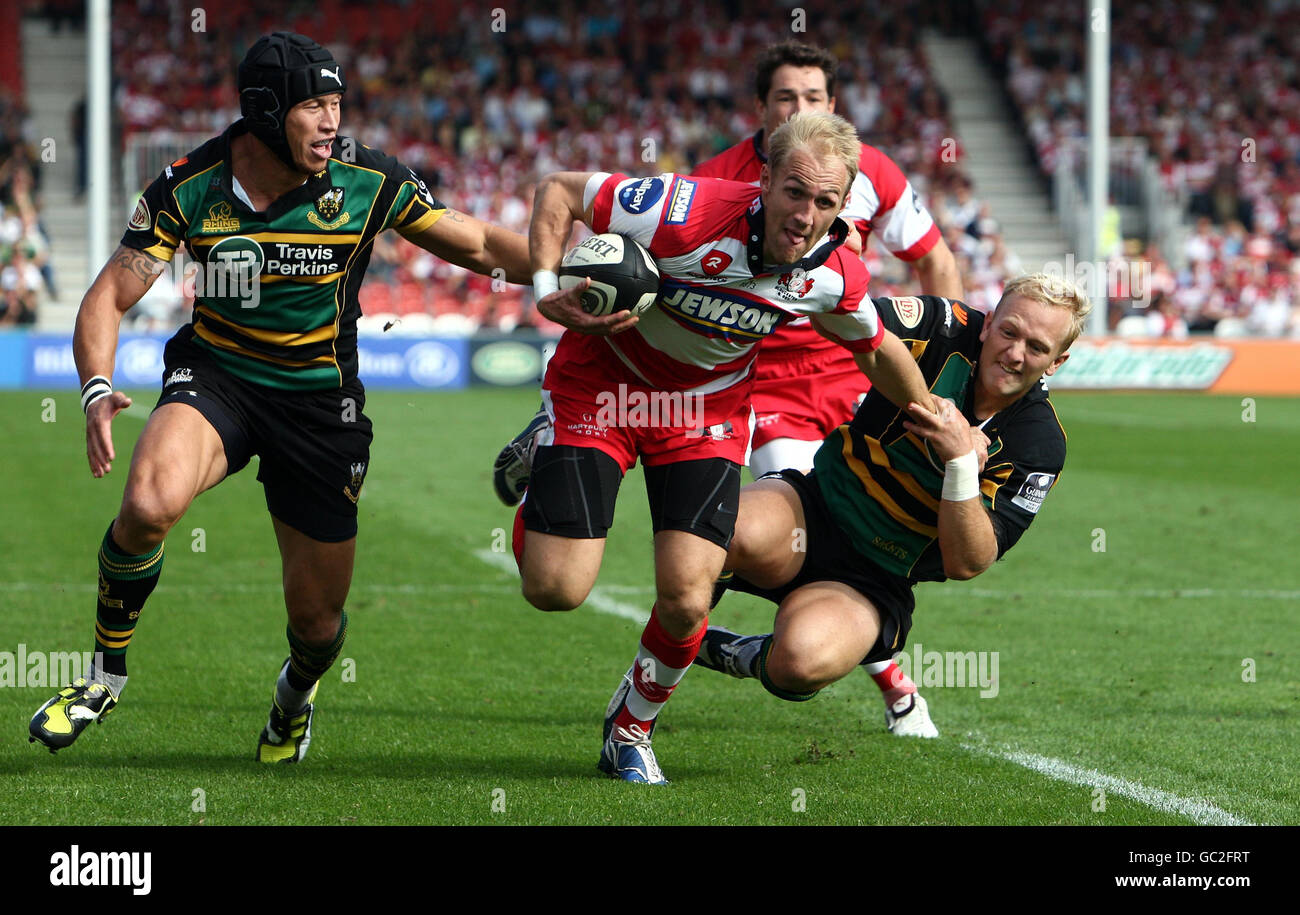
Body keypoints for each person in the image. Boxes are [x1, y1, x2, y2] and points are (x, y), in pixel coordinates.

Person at [28, 32, 531, 762]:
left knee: (318, 625)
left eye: (337, 104)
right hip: (218, 378)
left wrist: (563, 272)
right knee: (146, 504)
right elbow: (108, 296)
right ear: (267, 112)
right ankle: (104, 674)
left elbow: (481, 244)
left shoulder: (367, 181)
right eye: (314, 106)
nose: (332, 121)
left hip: (321, 406)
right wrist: (97, 390)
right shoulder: (189, 185)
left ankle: (294, 695)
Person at [493, 41, 962, 736]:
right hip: (610, 390)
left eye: (824, 203)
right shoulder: (685, 204)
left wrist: (934, 412)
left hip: (706, 410)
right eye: (794, 193)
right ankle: (549, 463)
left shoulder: (834, 271)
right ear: (765, 175)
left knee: (687, 596)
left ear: (844, 210)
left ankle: (631, 732)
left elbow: (880, 345)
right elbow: (560, 190)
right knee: (556, 588)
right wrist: (543, 289)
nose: (805, 215)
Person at [692, 41, 963, 737]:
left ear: (833, 106)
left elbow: (933, 258)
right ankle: (896, 688)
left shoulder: (871, 170)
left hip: (855, 382)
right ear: (761, 109)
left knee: (859, 534)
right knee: (807, 534)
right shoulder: (719, 178)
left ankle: (747, 648)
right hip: (765, 386)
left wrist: (944, 361)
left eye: (813, 98)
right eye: (785, 98)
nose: (799, 109)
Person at [693, 275, 1091, 728]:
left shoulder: (1040, 444)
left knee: (798, 667)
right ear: (987, 325)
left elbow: (969, 561)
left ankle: (734, 652)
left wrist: (960, 464)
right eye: (1009, 332)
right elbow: (852, 318)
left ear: (1056, 362)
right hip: (814, 509)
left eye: (1036, 348)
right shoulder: (946, 327)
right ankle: (656, 669)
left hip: (877, 577)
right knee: (715, 531)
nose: (1015, 353)